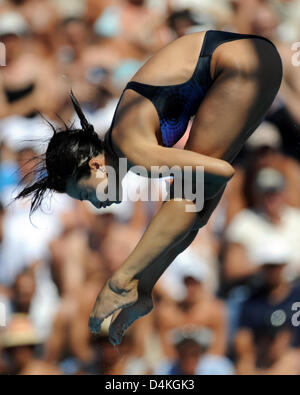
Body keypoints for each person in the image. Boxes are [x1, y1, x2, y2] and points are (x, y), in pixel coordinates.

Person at [16, 30, 282, 345]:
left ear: (96, 165)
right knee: (191, 206)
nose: (94, 204)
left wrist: (122, 275)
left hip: (241, 64)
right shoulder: (126, 145)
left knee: (187, 194)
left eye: (87, 193)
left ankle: (120, 282)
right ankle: (140, 288)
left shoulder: (130, 147)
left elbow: (221, 172)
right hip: (256, 62)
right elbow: (196, 209)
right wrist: (148, 280)